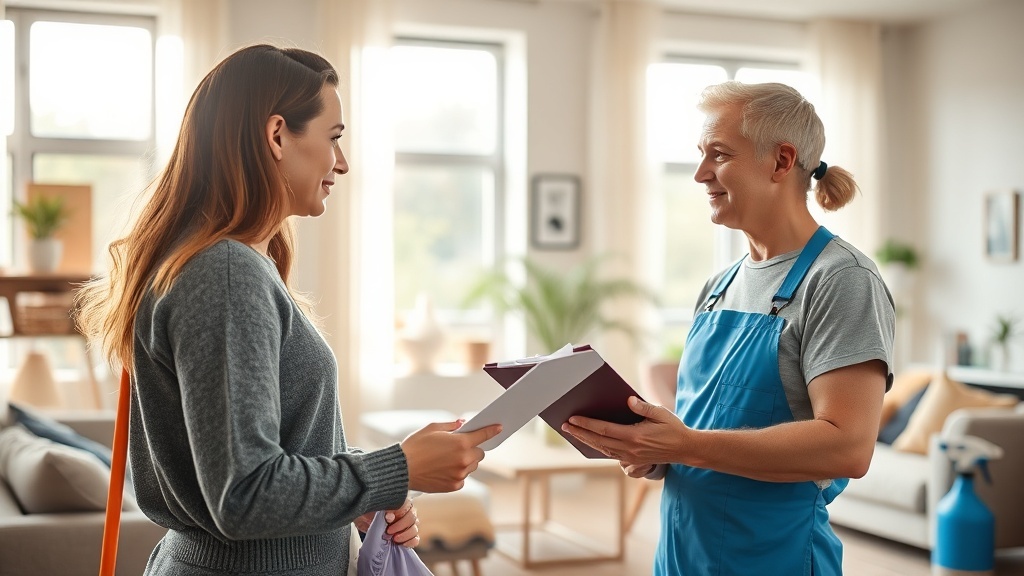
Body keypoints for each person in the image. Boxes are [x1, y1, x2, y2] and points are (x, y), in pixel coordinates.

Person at [76, 44, 501, 576]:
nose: (342, 163)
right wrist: (397, 469)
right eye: (334, 138)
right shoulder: (225, 274)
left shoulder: (230, 265)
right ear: (277, 135)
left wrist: (359, 498)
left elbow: (265, 459)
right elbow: (244, 493)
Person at [563, 81, 895, 575]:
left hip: (774, 560)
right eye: (701, 155)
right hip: (680, 557)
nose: (700, 174)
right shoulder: (719, 287)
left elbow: (848, 447)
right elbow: (701, 432)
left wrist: (685, 445)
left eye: (718, 155)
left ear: (781, 161)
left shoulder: (841, 280)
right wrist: (655, 451)